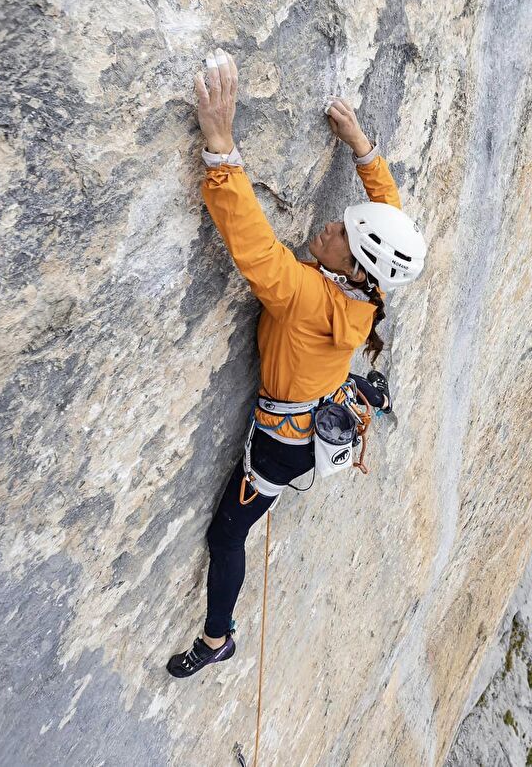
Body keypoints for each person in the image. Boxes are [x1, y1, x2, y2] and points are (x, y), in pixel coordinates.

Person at [167, 48, 428, 678]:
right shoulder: (368, 291)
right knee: (341, 379)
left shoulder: (309, 296)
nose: (329, 227)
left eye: (340, 232)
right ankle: (368, 392)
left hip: (283, 447)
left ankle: (217, 638)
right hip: (321, 392)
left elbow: (257, 250)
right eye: (341, 223)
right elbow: (387, 208)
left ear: (353, 261)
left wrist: (222, 149)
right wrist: (360, 144)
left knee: (227, 537)